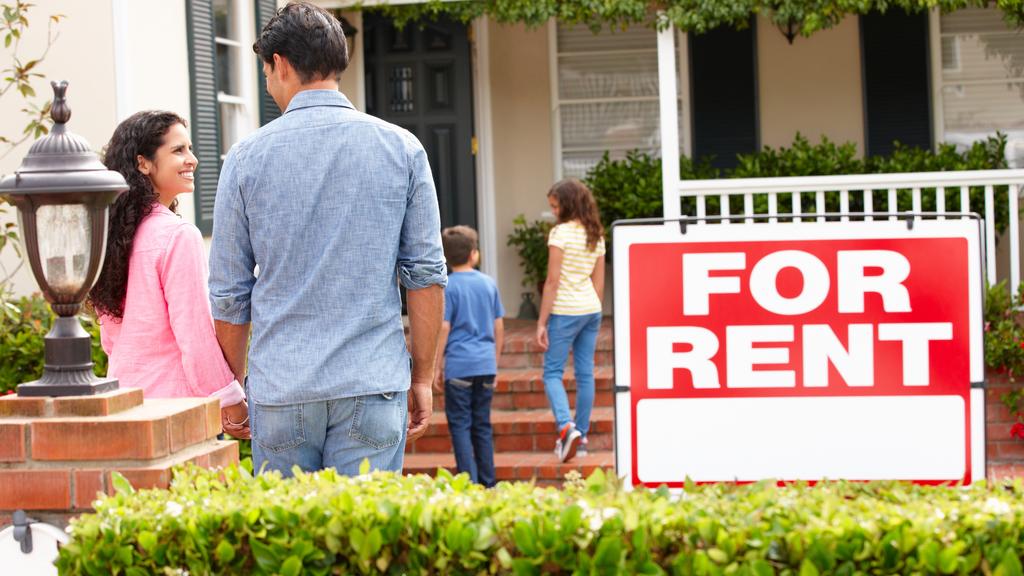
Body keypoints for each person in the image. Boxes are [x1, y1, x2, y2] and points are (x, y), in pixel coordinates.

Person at [209, 2, 446, 477]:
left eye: (266, 71)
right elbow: (425, 277)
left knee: (285, 544)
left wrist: (232, 389)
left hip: (282, 388)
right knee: (364, 545)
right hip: (372, 380)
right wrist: (422, 376)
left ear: (279, 63)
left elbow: (231, 295)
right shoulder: (402, 148)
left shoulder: (245, 159)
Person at [89, 111, 249, 438]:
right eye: (178, 150)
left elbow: (110, 339)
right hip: (178, 410)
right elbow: (194, 334)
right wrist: (230, 399)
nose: (192, 160)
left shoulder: (111, 235)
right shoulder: (177, 236)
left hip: (125, 403)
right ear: (143, 163)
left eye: (190, 149)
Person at [535, 179, 605, 463]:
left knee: (552, 373)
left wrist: (541, 322)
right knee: (585, 373)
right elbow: (599, 283)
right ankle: (583, 435)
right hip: (591, 309)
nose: (552, 211)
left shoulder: (560, 233)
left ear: (567, 203)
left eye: (555, 205)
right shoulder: (595, 234)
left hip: (565, 311)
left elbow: (552, 281)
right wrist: (593, 308)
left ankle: (566, 427)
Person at [434, 226, 504, 487]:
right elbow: (499, 326)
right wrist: (494, 363)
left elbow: (444, 328)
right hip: (485, 364)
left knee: (461, 426)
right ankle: (489, 483)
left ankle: (468, 484)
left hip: (459, 367)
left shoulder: (448, 287)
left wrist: (436, 367)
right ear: (474, 254)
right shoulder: (489, 283)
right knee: (482, 426)